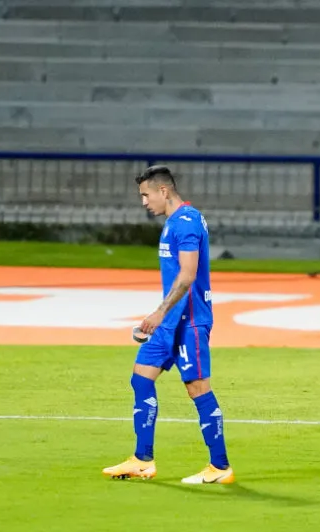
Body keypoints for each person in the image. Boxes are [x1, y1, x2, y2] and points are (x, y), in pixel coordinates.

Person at [102, 165, 234, 484]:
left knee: (198, 389)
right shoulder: (175, 222)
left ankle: (220, 466)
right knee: (141, 379)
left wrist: (159, 312)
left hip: (189, 322)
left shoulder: (186, 223)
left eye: (146, 195)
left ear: (164, 191)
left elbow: (188, 275)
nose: (144, 202)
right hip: (170, 323)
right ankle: (142, 459)